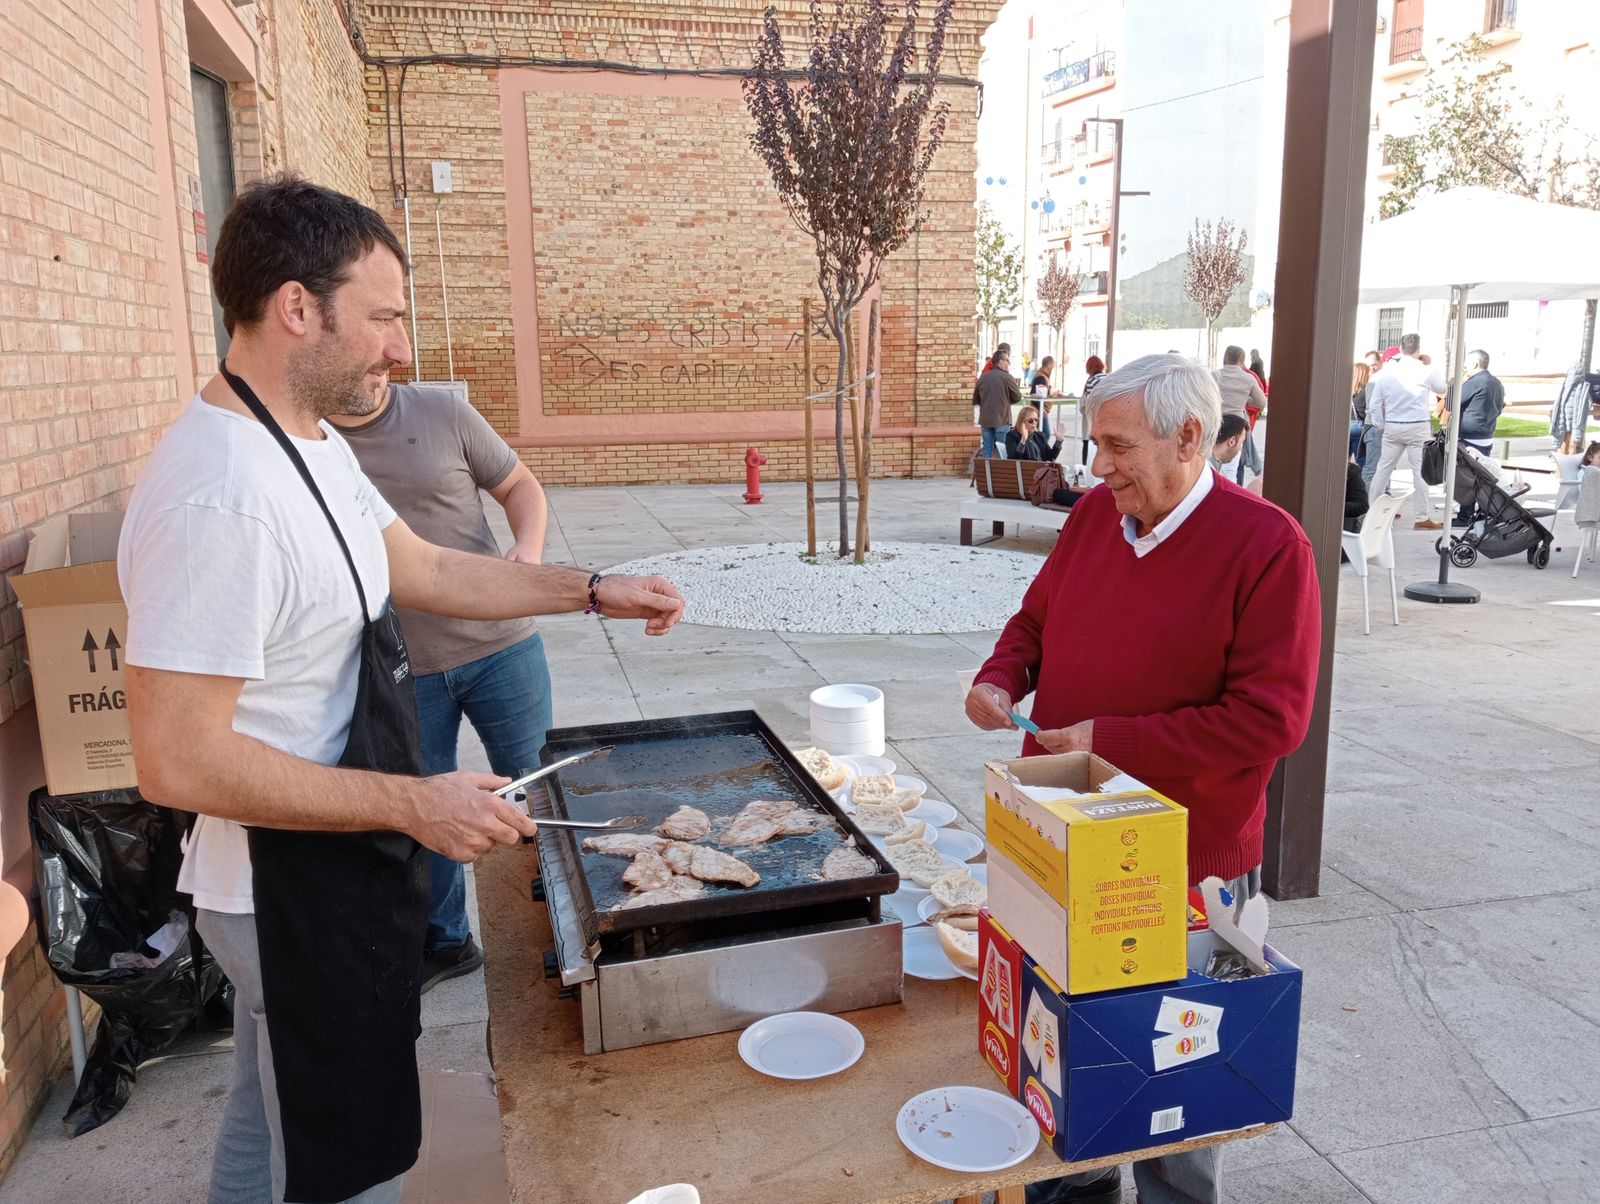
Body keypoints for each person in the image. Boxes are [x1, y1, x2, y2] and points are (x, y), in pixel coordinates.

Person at [118, 176, 686, 1204]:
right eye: (381, 317)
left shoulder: (305, 439)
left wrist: (591, 589)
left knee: (269, 1116)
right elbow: (176, 759)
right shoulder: (220, 497)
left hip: (324, 869)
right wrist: (416, 802)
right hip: (286, 898)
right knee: (349, 1159)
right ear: (299, 307)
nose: (400, 348)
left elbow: (421, 568)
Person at [964, 354, 1321, 1204]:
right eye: (1096, 444)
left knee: (1175, 1080)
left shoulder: (1269, 545)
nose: (1098, 468)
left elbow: (1272, 720)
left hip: (1187, 862)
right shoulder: (1097, 514)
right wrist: (1000, 677)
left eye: (1117, 446)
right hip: (1064, 840)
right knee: (1062, 1061)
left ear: (1189, 437)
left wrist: (1109, 740)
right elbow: (1034, 620)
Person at [328, 377, 552, 994]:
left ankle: (562, 915)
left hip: (503, 648)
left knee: (538, 786)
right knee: (426, 807)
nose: (383, 362)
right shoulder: (311, 441)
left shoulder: (443, 411)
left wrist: (528, 550)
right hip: (401, 669)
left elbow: (519, 485)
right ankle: (448, 941)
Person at [1368, 332, 1447, 529]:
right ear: (1418, 350)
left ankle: (1372, 511)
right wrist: (1428, 364)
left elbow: (1374, 405)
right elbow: (1441, 388)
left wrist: (1381, 425)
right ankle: (1421, 517)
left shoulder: (1386, 372)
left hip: (1393, 424)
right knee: (1420, 472)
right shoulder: (1424, 370)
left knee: (1383, 469)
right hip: (1417, 425)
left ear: (1401, 349)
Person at [1440, 350, 1505, 527]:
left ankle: (1465, 516)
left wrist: (1452, 386)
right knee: (1481, 477)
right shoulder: (1497, 383)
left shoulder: (1475, 382)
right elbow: (1500, 408)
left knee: (1467, 479)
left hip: (1469, 437)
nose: (1465, 369)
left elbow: (1450, 403)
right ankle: (1482, 513)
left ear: (1476, 364)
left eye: (1466, 365)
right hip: (1486, 436)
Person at [1213, 345, 1266, 485]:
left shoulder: (1215, 376)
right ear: (1242, 361)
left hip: (1216, 425)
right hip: (1237, 427)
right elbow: (1261, 402)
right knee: (1231, 470)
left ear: (1224, 359)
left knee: (1212, 467)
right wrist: (1244, 398)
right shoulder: (1248, 379)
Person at [975, 347, 1021, 459]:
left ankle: (986, 470)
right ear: (1001, 362)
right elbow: (1018, 396)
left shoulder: (983, 377)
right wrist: (1006, 401)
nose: (1008, 364)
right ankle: (999, 470)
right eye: (1007, 361)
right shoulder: (1007, 377)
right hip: (1002, 418)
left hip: (986, 419)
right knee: (1002, 449)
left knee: (987, 448)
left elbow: (976, 399)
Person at [1350, 361, 1371, 462]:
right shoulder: (1366, 391)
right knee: (1362, 460)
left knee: (1342, 459)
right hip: (1359, 426)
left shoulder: (1348, 390)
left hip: (1346, 426)